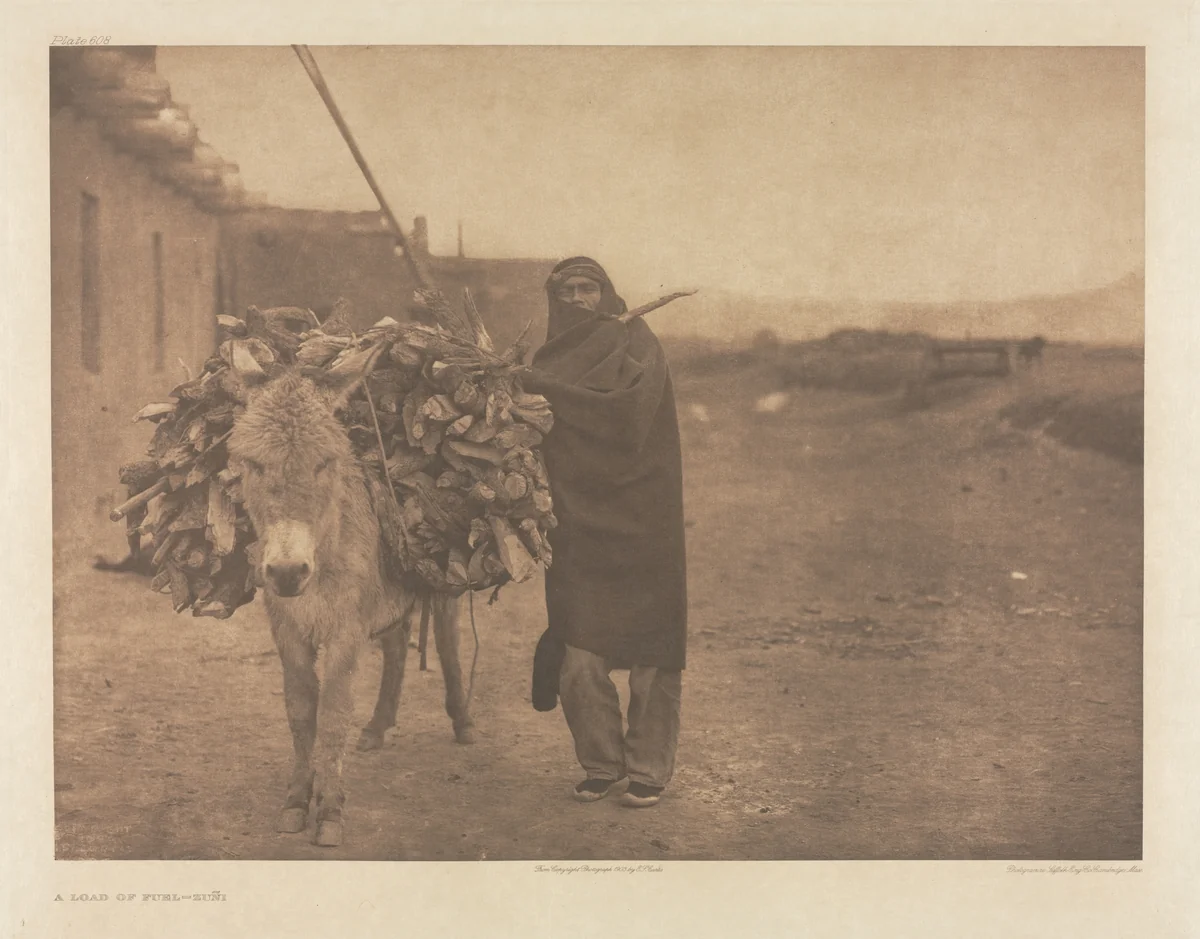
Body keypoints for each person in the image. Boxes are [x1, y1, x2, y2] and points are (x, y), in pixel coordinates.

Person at [522, 257, 688, 809]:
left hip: (645, 516)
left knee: (653, 652)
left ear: (606, 293)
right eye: (566, 289)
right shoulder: (546, 357)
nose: (578, 298)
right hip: (577, 521)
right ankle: (600, 763)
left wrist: (542, 388)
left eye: (588, 288)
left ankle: (648, 769)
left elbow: (626, 415)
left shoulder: (638, 343)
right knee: (580, 652)